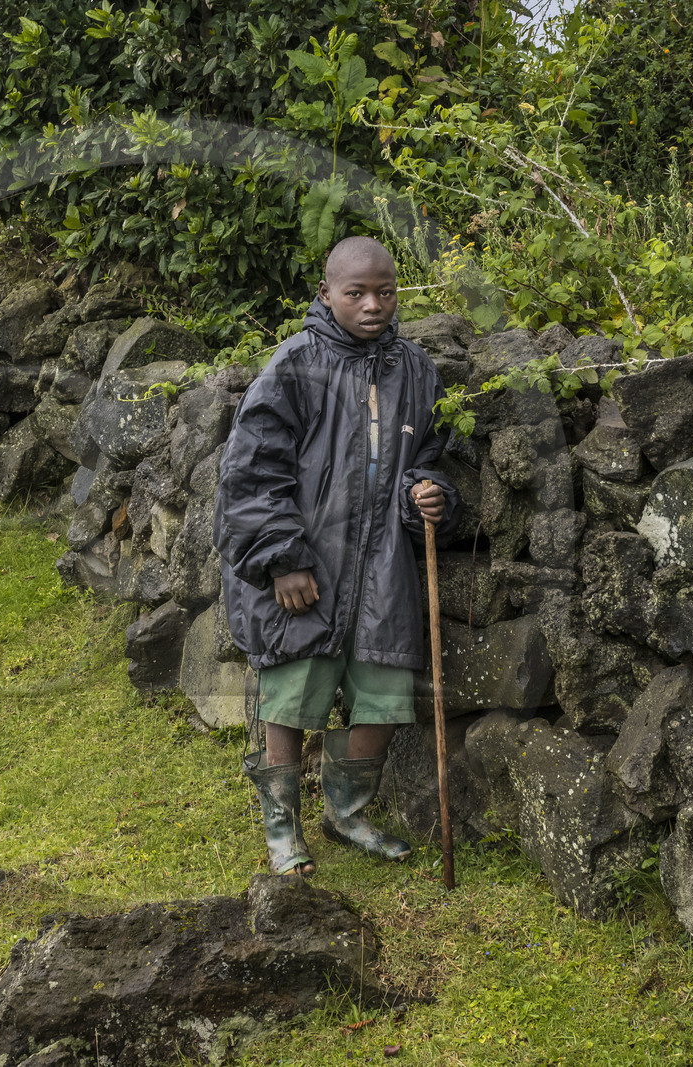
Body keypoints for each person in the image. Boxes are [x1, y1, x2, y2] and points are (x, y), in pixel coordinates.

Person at [213, 235, 462, 876]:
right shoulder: (294, 365)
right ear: (326, 294)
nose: (373, 304)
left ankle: (347, 813)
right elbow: (251, 469)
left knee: (383, 692)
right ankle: (282, 828)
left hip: (382, 566)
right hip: (306, 563)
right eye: (356, 293)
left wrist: (425, 496)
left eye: (385, 292)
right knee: (293, 692)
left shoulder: (415, 369)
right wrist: (281, 558)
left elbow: (427, 457)